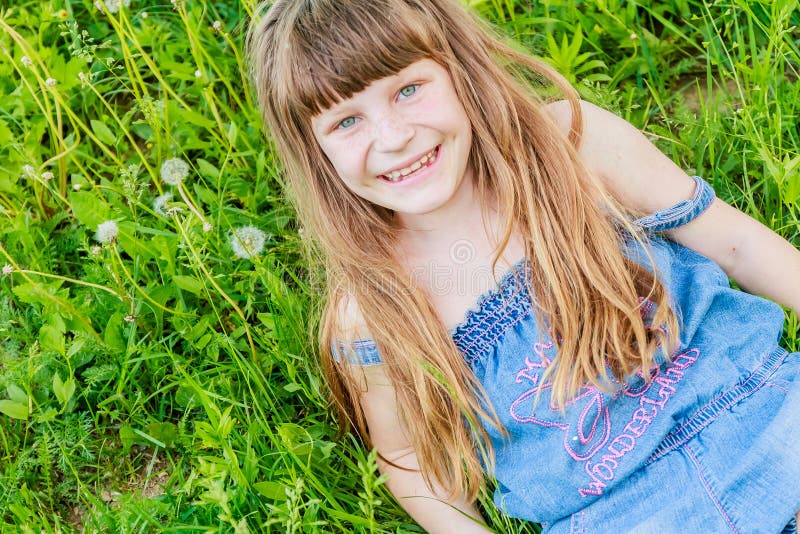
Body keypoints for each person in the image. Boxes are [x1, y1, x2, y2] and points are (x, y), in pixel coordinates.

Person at [245, 0, 800, 532]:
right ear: (313, 150)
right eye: (346, 122)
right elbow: (409, 458)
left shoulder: (573, 148)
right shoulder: (370, 307)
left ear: (457, 67)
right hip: (617, 515)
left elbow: (736, 245)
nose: (393, 138)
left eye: (409, 90)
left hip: (764, 412)